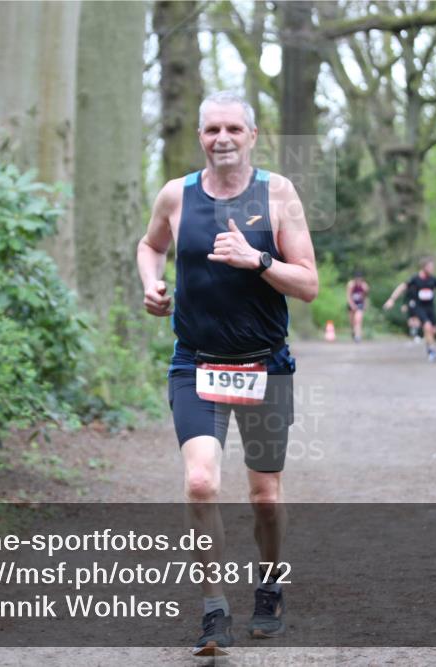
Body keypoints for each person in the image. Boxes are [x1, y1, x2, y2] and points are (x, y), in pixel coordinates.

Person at [136, 91, 318, 656]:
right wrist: (152, 283)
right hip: (196, 364)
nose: (222, 138)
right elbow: (149, 246)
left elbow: (308, 284)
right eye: (212, 129)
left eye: (233, 128)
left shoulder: (278, 194)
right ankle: (214, 609)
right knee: (200, 482)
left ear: (252, 136)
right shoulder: (177, 196)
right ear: (201, 137)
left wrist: (258, 260)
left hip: (265, 365)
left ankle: (269, 584)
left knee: (265, 495)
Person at [383, 256, 436, 362]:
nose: (432, 269)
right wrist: (392, 299)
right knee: (427, 326)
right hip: (419, 307)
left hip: (430, 308)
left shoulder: (433, 279)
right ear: (424, 267)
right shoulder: (415, 279)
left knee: (433, 330)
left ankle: (429, 345)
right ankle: (431, 350)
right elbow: (402, 287)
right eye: (430, 267)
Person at [346, 270, 370, 342]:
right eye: (357, 279)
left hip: (360, 304)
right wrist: (352, 305)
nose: (359, 281)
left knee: (358, 319)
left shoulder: (365, 286)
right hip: (352, 304)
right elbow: (348, 296)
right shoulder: (351, 285)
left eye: (360, 279)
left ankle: (358, 336)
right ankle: (353, 332)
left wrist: (365, 305)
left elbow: (365, 297)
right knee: (352, 322)